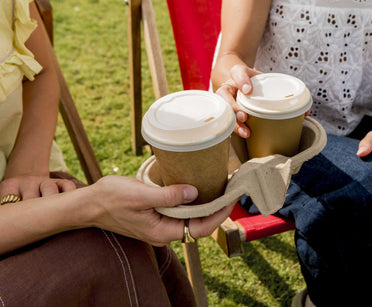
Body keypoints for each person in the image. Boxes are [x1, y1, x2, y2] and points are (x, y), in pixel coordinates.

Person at [211, 0, 372, 306]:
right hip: (270, 141)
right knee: (370, 187)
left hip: (352, 125)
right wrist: (234, 82)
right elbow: (230, 58)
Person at [0, 1, 234, 305]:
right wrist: (90, 206)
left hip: (24, 184)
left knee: (121, 249)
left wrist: (27, 168)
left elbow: (42, 71)